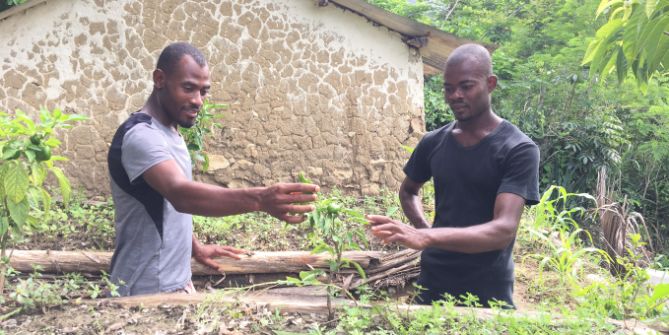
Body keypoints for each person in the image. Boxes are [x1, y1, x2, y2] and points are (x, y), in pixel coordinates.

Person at [107, 42, 319, 296]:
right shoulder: (142, 136)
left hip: (175, 283)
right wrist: (260, 199)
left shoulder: (169, 131)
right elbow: (180, 195)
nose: (198, 101)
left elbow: (165, 206)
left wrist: (195, 248)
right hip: (144, 291)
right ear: (160, 79)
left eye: (204, 91)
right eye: (188, 88)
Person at [367, 43, 539, 308]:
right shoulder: (433, 142)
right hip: (434, 282)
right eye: (448, 88)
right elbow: (408, 191)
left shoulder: (517, 148)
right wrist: (424, 229)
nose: (455, 95)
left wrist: (427, 237)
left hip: (488, 289)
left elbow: (503, 229)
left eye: (466, 86)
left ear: (490, 83)